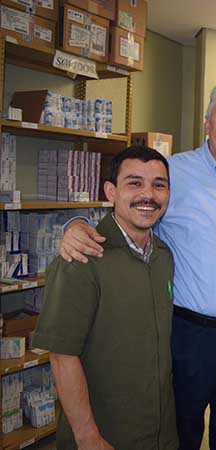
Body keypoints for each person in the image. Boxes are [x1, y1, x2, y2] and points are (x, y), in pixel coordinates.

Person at [58, 81, 216, 450]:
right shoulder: (174, 173)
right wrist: (74, 225)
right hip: (189, 336)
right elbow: (128, 210)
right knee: (179, 435)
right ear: (207, 123)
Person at [32, 146, 176, 450]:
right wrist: (88, 437)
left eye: (158, 185)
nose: (148, 194)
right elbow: (62, 355)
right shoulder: (82, 260)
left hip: (158, 433)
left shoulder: (163, 256)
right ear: (111, 192)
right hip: (104, 435)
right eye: (134, 183)